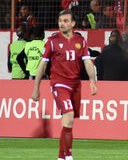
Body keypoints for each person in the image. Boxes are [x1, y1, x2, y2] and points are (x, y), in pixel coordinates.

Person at [31, 9, 98, 160]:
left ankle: (62, 156)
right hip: (59, 84)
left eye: (66, 21)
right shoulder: (52, 41)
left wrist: (93, 81)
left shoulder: (80, 41)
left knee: (69, 122)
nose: (62, 24)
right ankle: (67, 156)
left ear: (73, 23)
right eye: (60, 21)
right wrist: (36, 88)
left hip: (75, 85)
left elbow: (87, 62)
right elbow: (42, 65)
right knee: (68, 116)